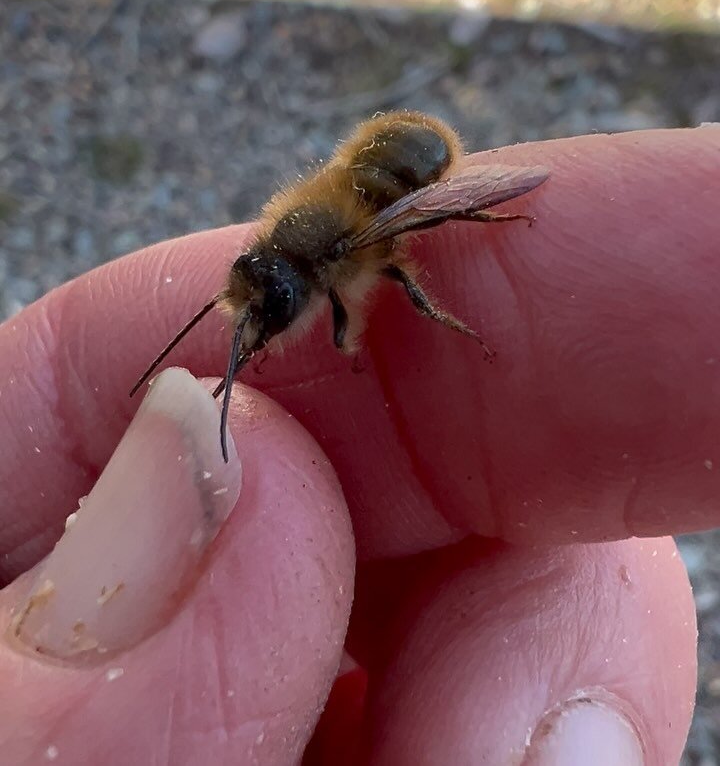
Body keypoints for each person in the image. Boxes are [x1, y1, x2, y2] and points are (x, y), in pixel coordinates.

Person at [0, 126, 716, 766]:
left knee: (402, 268)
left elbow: (398, 252)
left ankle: (454, 307)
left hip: (413, 164)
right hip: (382, 150)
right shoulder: (289, 247)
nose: (257, 327)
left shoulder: (345, 247)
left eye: (266, 312)